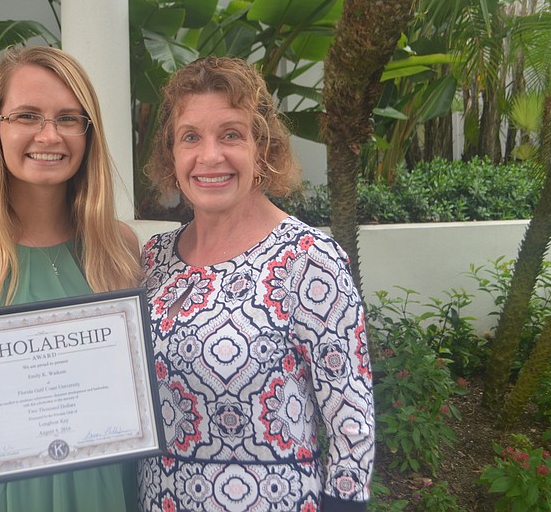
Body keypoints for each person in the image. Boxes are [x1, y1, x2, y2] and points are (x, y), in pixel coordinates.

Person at [0, 46, 142, 512]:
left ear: (88, 132)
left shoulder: (119, 247)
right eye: (27, 116)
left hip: (99, 487)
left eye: (68, 118)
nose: (49, 135)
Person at [137, 56, 374, 512]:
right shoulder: (155, 258)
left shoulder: (308, 261)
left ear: (262, 147)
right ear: (172, 153)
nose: (210, 156)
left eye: (231, 134)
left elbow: (351, 421)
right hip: (158, 499)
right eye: (191, 137)